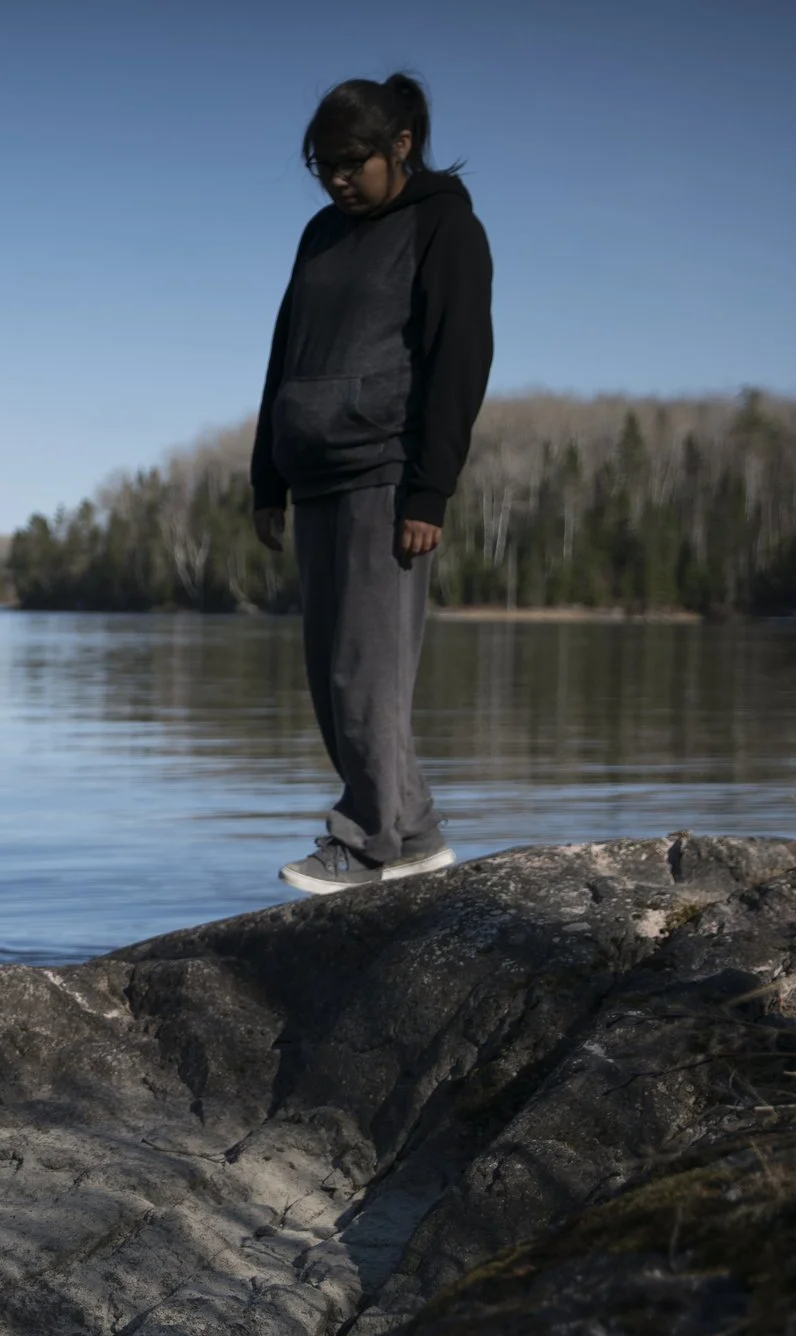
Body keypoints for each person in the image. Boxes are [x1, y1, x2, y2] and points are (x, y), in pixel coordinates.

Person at [250, 72, 493, 895]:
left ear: (401, 146)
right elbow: (284, 358)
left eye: (352, 163)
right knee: (334, 677)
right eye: (322, 165)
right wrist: (266, 477)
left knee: (367, 672)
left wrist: (430, 490)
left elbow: (461, 358)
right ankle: (414, 832)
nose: (336, 180)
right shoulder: (320, 234)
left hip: (386, 475)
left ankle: (366, 844)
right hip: (314, 473)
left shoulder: (444, 225)